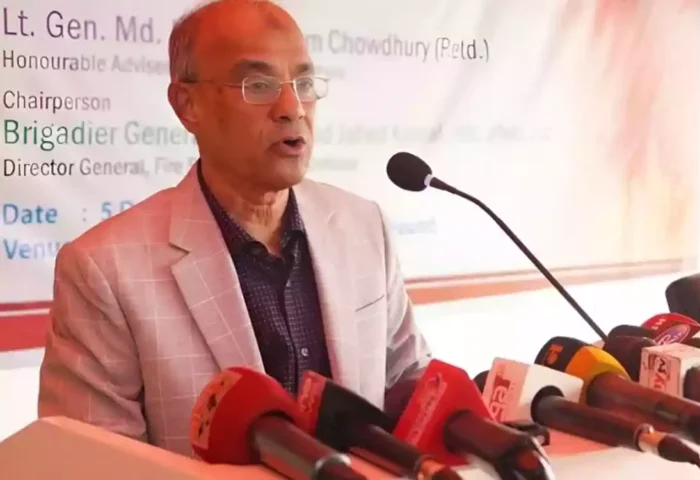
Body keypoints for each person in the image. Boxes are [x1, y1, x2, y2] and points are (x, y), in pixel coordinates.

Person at [37, 0, 431, 457]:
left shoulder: (363, 227)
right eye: (259, 85)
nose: (292, 108)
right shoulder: (105, 269)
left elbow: (411, 386)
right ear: (188, 105)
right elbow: (91, 462)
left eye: (303, 84)